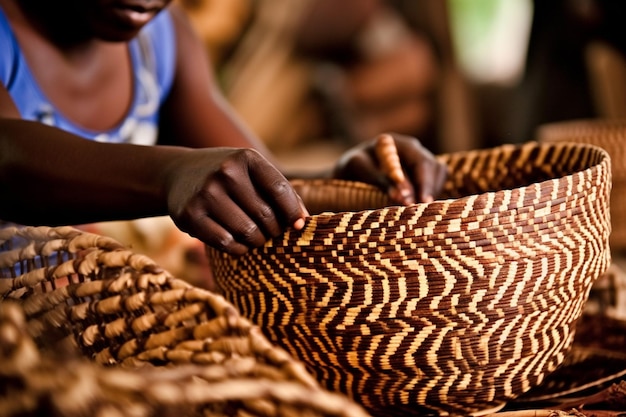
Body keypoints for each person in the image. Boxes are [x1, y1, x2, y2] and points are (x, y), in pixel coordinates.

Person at [0, 0, 447, 259]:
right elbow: (10, 156)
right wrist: (169, 174)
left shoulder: (163, 38)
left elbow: (245, 176)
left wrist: (340, 183)